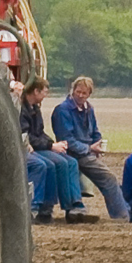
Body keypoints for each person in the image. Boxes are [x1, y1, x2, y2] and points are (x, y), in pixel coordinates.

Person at [52, 76, 131, 220]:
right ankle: (123, 215)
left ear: (89, 94)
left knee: (109, 178)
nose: (81, 95)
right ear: (73, 91)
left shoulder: (89, 109)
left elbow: (95, 131)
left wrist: (97, 143)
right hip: (71, 152)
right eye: (78, 92)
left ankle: (124, 212)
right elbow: (66, 139)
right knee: (108, 178)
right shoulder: (63, 110)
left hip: (86, 152)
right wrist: (89, 148)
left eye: (84, 93)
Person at [20, 79, 94, 224]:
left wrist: (54, 143)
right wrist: (51, 146)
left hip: (39, 146)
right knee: (57, 163)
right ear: (36, 91)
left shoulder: (35, 108)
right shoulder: (23, 109)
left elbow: (39, 132)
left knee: (71, 162)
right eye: (45, 92)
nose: (46, 95)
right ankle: (46, 208)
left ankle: (75, 205)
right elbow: (27, 136)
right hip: (33, 148)